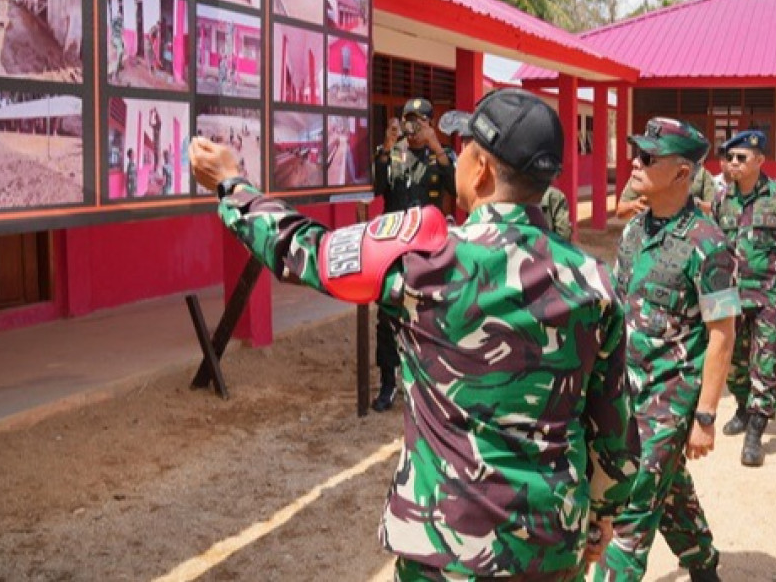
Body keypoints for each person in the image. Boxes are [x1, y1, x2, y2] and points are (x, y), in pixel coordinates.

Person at [190, 88, 636, 580]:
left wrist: (233, 186)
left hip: (444, 548)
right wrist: (600, 518)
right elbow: (612, 428)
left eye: (464, 146)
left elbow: (305, 250)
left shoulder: (427, 264)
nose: (458, 154)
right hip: (551, 549)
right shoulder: (594, 282)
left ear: (482, 168)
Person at [594, 118, 739, 582]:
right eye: (637, 153)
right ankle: (703, 564)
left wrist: (705, 417)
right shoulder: (637, 230)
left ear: (681, 172)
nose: (635, 163)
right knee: (666, 484)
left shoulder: (707, 244)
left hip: (669, 400)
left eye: (648, 158)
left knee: (631, 507)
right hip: (625, 388)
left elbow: (722, 334)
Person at [713, 129, 776, 467]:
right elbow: (712, 247)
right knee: (734, 362)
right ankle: (741, 406)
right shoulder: (721, 198)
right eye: (730, 158)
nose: (733, 163)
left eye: (741, 158)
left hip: (769, 293)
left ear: (759, 161)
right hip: (730, 295)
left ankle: (756, 427)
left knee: (764, 362)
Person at [370, 97, 456, 412]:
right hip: (394, 247)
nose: (413, 126)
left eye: (420, 120)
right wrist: (386, 146)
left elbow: (458, 189)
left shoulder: (442, 156)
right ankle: (388, 382)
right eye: (409, 119)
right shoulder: (393, 155)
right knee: (387, 316)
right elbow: (377, 188)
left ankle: (427, 382)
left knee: (430, 315)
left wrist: (435, 145)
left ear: (431, 124)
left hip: (429, 249)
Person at [615, 163, 716, 219]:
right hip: (649, 233)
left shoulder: (702, 174)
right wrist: (634, 205)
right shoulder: (643, 173)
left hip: (688, 234)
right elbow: (620, 211)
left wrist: (692, 204)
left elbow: (712, 207)